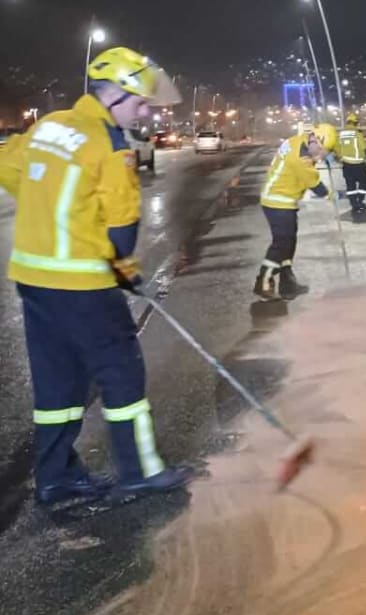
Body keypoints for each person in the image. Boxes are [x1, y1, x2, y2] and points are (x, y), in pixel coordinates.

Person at [0, 47, 193, 505]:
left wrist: (50, 210)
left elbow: (9, 170)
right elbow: (122, 228)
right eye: (142, 103)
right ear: (115, 97)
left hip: (33, 279)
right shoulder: (112, 147)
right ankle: (140, 471)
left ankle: (56, 478)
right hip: (84, 285)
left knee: (57, 382)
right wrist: (125, 270)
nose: (146, 113)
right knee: (122, 374)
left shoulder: (48, 126)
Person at [254, 123, 338, 300]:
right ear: (317, 140)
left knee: (289, 242)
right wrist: (332, 195)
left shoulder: (297, 141)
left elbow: (311, 161)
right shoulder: (301, 158)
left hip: (282, 200)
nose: (321, 156)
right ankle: (263, 282)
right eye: (323, 151)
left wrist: (325, 156)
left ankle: (287, 282)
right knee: (281, 243)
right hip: (277, 201)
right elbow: (315, 184)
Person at [337, 113, 366, 218]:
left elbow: (338, 147)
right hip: (358, 163)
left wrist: (341, 158)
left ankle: (354, 204)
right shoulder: (357, 133)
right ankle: (360, 201)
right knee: (364, 183)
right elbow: (363, 147)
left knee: (350, 185)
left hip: (346, 163)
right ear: (356, 122)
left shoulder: (341, 133)